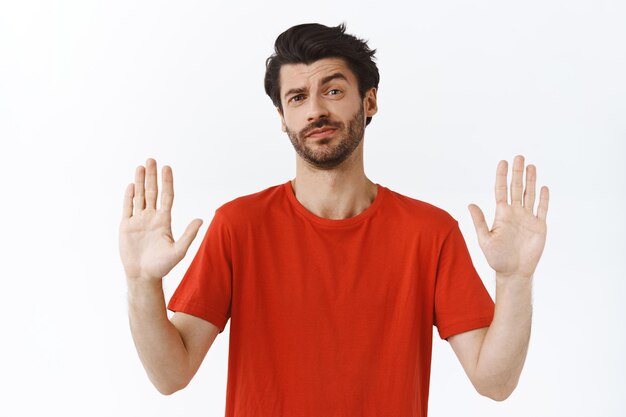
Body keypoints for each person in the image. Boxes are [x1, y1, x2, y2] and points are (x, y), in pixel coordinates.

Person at [119, 22, 549, 417]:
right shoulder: (239, 226)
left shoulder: (429, 232)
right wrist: (141, 282)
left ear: (370, 101)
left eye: (333, 90)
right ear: (283, 120)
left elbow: (494, 382)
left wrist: (514, 280)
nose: (314, 111)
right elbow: (170, 375)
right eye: (297, 97)